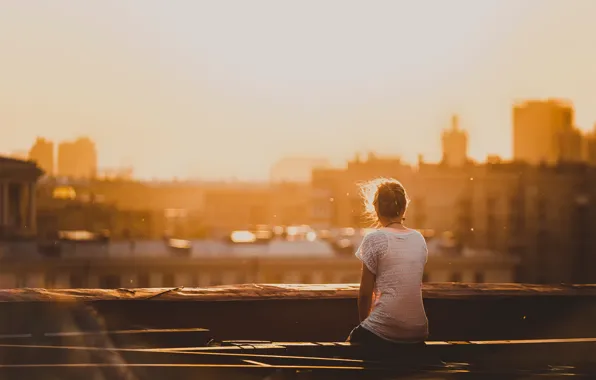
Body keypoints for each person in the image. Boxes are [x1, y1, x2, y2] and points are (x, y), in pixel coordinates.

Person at [347, 178, 429, 351]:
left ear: (376, 209)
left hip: (386, 329)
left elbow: (364, 295)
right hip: (418, 330)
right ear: (404, 207)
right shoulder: (419, 239)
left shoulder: (374, 239)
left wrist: (365, 326)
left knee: (344, 351)